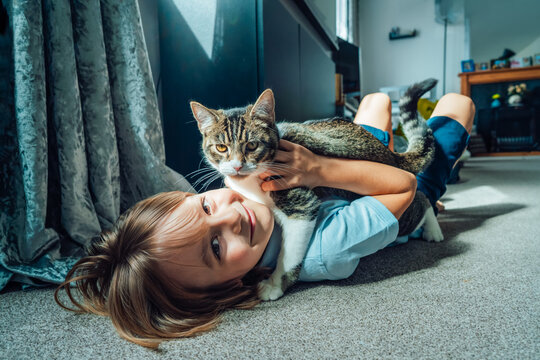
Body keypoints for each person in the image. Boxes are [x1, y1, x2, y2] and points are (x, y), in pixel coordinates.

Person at [55, 92, 475, 348]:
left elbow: (242, 164)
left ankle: (378, 131)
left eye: (204, 206)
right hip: (395, 187)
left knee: (375, 104)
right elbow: (402, 185)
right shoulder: (325, 253)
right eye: (216, 247)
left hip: (342, 156)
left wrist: (311, 160)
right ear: (227, 287)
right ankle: (433, 204)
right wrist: (316, 171)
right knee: (459, 106)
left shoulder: (238, 192)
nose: (231, 214)